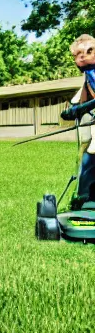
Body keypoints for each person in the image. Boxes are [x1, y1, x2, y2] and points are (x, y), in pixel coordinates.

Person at [63, 34, 95, 208]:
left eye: (89, 51)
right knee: (86, 153)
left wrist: (81, 109)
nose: (81, 57)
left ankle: (85, 196)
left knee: (91, 155)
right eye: (77, 55)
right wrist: (74, 110)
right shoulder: (89, 74)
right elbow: (84, 96)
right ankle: (85, 197)